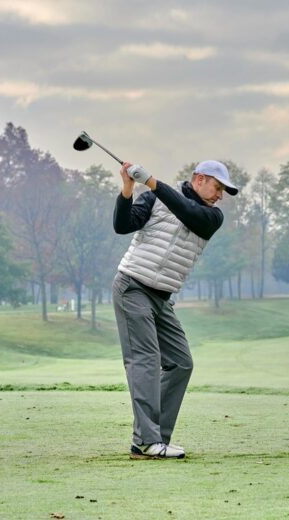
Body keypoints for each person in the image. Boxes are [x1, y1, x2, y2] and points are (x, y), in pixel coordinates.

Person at [111, 159, 239, 459]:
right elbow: (122, 225)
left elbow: (187, 212)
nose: (220, 195)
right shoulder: (154, 198)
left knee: (181, 362)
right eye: (217, 187)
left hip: (161, 297)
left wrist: (153, 180)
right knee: (145, 359)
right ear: (199, 179)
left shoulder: (211, 216)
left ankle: (155, 439)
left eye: (222, 191)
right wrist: (129, 188)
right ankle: (146, 441)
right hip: (133, 286)